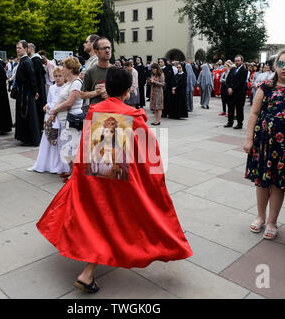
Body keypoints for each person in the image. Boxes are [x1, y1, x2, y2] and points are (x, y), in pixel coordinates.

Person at [36, 66, 193, 294]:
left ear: (106, 88)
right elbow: (150, 152)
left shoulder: (94, 111)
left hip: (95, 174)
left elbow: (86, 146)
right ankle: (88, 272)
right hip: (121, 178)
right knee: (114, 218)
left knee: (98, 217)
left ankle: (88, 271)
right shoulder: (134, 115)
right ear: (128, 91)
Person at [244, 49, 285, 240]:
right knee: (262, 182)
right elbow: (254, 114)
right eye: (281, 64)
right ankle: (261, 216)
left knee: (278, 184)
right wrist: (249, 139)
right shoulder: (265, 86)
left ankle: (272, 221)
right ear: (275, 65)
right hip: (264, 141)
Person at [48, 57, 84, 182]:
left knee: (71, 147)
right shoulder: (69, 82)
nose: (62, 69)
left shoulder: (76, 83)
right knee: (65, 147)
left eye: (64, 67)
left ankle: (74, 174)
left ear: (70, 69)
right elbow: (61, 99)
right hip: (64, 119)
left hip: (72, 119)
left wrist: (55, 110)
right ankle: (70, 170)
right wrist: (54, 111)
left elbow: (69, 102)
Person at [29, 67, 69, 174]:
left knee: (58, 140)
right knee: (48, 138)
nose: (58, 78)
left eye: (60, 76)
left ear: (64, 76)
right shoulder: (51, 88)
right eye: (55, 76)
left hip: (60, 115)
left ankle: (59, 164)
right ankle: (46, 163)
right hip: (50, 115)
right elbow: (49, 101)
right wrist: (46, 106)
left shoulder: (66, 87)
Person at [14, 40, 40, 146]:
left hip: (27, 94)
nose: (17, 50)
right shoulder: (23, 61)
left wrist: (35, 92)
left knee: (28, 115)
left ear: (25, 49)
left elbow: (32, 78)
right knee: (24, 115)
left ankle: (30, 138)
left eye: (19, 48)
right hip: (23, 92)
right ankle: (25, 137)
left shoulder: (27, 61)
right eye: (16, 48)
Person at [81, 37, 111, 107]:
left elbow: (127, 95)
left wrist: (110, 93)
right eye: (103, 48)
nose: (107, 50)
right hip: (96, 113)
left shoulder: (118, 71)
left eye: (109, 48)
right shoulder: (90, 72)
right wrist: (97, 92)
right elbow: (82, 94)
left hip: (114, 113)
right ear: (96, 51)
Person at [225, 55, 248, 129]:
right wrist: (228, 88)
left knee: (239, 109)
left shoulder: (244, 70)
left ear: (241, 61)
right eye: (235, 61)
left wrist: (232, 89)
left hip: (239, 93)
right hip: (231, 92)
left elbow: (241, 82)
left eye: (238, 61)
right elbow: (227, 79)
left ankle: (239, 123)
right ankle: (230, 122)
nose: (236, 62)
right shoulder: (232, 69)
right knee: (230, 108)